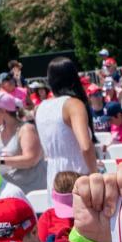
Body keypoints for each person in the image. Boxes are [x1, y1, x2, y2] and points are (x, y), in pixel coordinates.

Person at [35, 57, 97, 189]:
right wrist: (95, 174)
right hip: (77, 175)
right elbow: (85, 146)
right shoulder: (73, 105)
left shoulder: (41, 107)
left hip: (54, 176)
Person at [0, 91, 47, 195]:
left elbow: (30, 160)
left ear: (3, 110)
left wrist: (0, 160)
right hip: (10, 193)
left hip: (33, 194)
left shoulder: (26, 129)